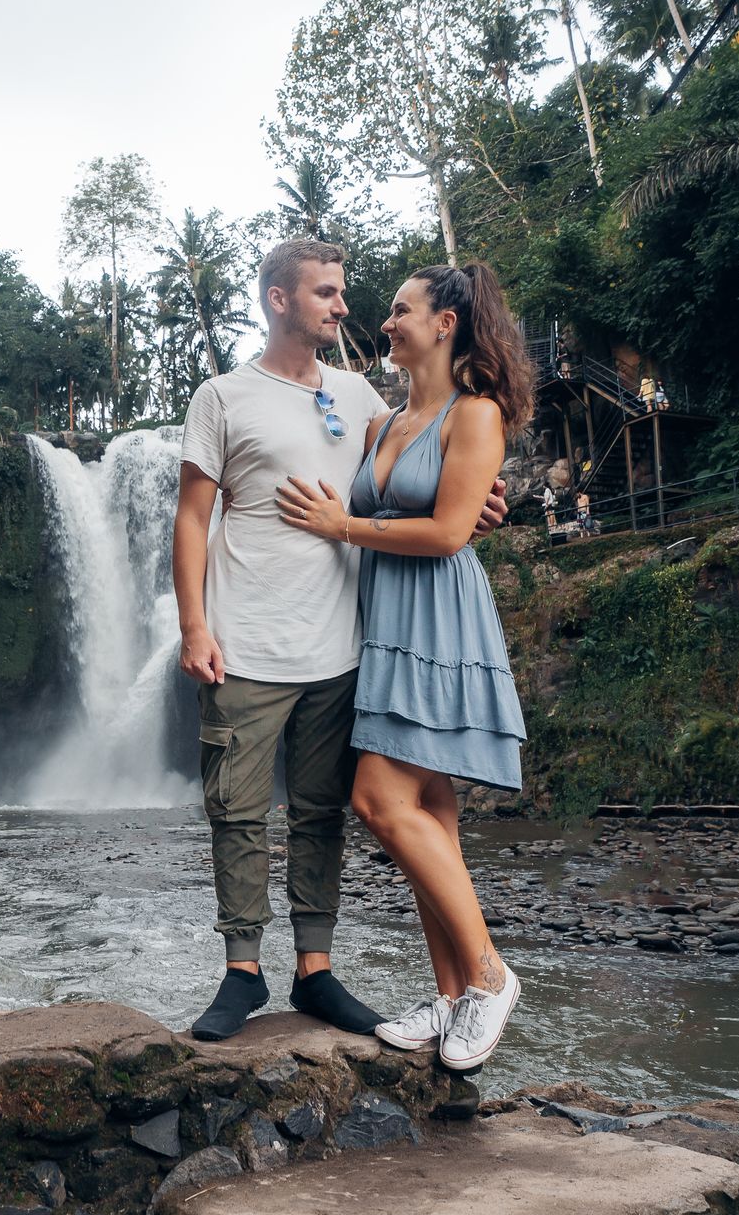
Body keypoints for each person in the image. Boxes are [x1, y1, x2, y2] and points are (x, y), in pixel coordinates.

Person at [172, 239, 507, 1042]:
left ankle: (316, 971)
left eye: (348, 293)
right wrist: (193, 625)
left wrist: (481, 507)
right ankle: (242, 973)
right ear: (280, 299)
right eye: (326, 292)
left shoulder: (361, 398)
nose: (344, 307)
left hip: (347, 645)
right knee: (237, 810)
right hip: (243, 638)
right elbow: (191, 516)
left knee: (325, 812)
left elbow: (420, 479)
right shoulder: (221, 396)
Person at [276, 261, 532, 1072]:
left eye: (399, 309)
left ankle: (491, 976)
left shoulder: (476, 414)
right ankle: (452, 995)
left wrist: (339, 526)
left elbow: (452, 532)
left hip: (440, 623)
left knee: (377, 797)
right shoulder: (384, 423)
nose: (385, 321)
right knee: (433, 817)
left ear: (446, 322)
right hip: (382, 625)